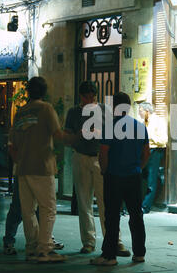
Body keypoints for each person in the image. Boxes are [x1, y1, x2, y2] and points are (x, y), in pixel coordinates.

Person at [63, 81, 130, 256]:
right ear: (81, 97)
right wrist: (81, 133)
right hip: (80, 156)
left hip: (100, 157)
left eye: (93, 97)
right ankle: (88, 242)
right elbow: (68, 138)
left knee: (106, 201)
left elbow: (114, 132)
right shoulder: (73, 112)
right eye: (87, 98)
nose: (90, 101)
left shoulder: (104, 110)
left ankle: (114, 240)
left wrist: (100, 133)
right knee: (84, 202)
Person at [9, 76, 66, 263]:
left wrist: (21, 158)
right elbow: (57, 135)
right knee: (48, 208)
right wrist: (77, 138)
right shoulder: (46, 109)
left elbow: (12, 145)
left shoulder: (20, 112)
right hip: (42, 166)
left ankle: (32, 247)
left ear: (28, 92)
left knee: (28, 210)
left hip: (23, 168)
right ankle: (45, 250)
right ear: (44, 92)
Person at [90, 92, 150, 266]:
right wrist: (139, 167)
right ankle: (139, 253)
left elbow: (103, 152)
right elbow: (146, 153)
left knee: (112, 216)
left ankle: (109, 256)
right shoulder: (140, 127)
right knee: (136, 215)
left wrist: (104, 170)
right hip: (134, 176)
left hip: (114, 176)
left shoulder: (110, 126)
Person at [138, 102, 168, 214]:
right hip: (143, 150)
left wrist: (149, 136)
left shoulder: (158, 121)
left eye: (140, 110)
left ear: (146, 111)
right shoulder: (143, 123)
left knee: (151, 179)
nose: (139, 113)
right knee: (141, 177)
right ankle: (139, 203)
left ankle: (145, 206)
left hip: (154, 151)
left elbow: (163, 140)